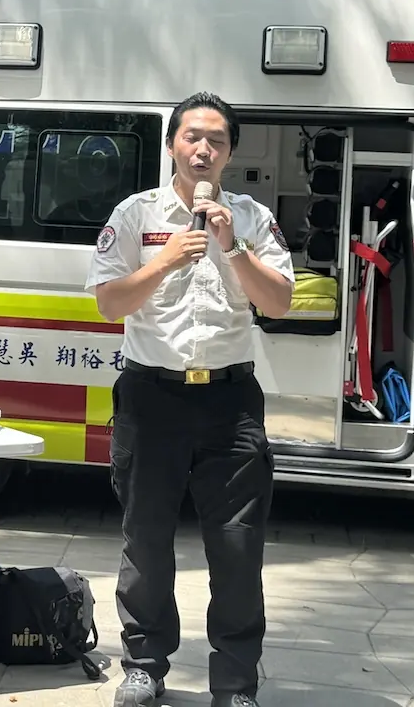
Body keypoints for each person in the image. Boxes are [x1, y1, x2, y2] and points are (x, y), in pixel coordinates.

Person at [85, 92, 295, 707]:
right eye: (192, 137)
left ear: (229, 153)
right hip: (152, 397)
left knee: (237, 548)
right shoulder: (135, 215)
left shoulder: (251, 217)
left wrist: (233, 248)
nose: (203, 150)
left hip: (230, 403)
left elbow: (280, 302)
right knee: (146, 540)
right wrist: (166, 260)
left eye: (217, 141)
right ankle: (144, 666)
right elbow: (109, 303)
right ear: (172, 144)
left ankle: (235, 685)